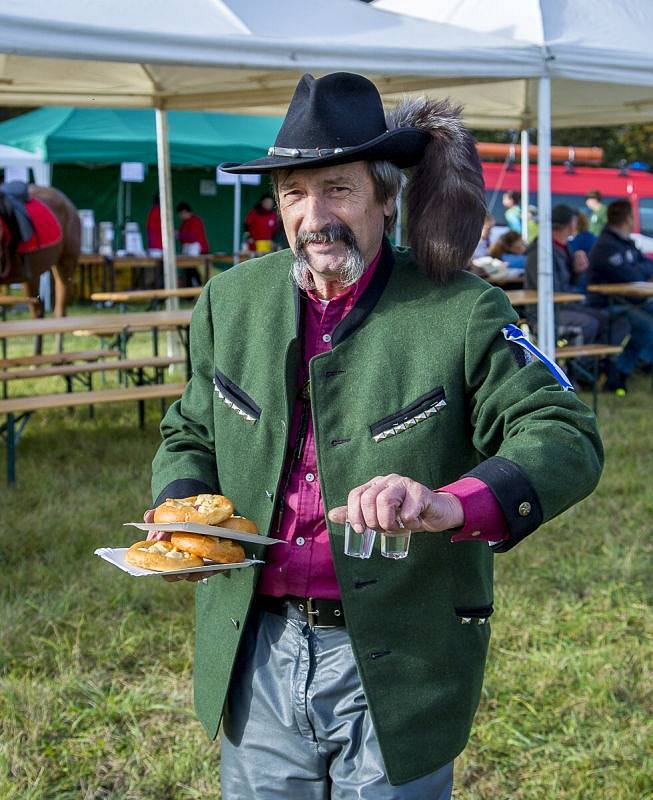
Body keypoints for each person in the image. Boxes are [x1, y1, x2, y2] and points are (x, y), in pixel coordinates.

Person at [148, 73, 603, 799]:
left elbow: (563, 432)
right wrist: (181, 506)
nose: (313, 215)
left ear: (387, 199)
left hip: (402, 648)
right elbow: (189, 430)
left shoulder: (461, 310)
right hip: (254, 645)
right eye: (294, 193)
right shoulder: (229, 303)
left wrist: (453, 502)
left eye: (338, 189)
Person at [525, 203, 630, 390]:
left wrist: (577, 272)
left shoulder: (562, 247)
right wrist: (577, 290)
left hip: (563, 306)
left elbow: (565, 285)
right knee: (591, 322)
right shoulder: (541, 251)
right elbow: (552, 291)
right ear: (570, 223)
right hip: (545, 313)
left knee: (616, 322)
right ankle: (577, 374)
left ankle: (593, 370)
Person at [588, 198, 653, 377]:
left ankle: (645, 361)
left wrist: (639, 268)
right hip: (606, 303)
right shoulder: (605, 246)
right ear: (628, 219)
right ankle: (620, 373)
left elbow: (646, 266)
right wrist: (639, 269)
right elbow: (633, 276)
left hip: (630, 299)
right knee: (647, 326)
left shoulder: (625, 243)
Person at [176, 201, 209, 287]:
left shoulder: (196, 221)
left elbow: (193, 237)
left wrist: (179, 235)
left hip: (200, 252)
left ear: (185, 212)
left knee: (194, 271)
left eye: (181, 214)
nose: (180, 216)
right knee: (189, 270)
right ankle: (190, 294)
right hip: (189, 252)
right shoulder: (184, 223)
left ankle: (199, 289)